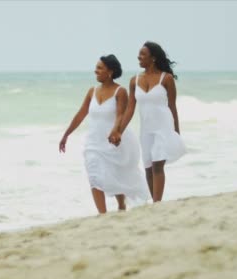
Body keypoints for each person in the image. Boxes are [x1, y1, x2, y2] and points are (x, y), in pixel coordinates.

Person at [59, 55, 149, 214]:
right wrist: (66, 134)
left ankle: (121, 205)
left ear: (110, 71)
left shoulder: (120, 91)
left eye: (100, 68)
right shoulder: (92, 91)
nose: (96, 70)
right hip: (93, 143)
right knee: (94, 176)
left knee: (116, 173)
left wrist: (115, 130)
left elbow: (120, 115)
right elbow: (81, 114)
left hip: (113, 140)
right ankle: (102, 214)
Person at [109, 42, 186, 202]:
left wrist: (176, 132)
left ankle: (157, 204)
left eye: (143, 54)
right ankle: (155, 202)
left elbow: (172, 107)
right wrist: (119, 131)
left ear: (153, 58)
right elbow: (129, 109)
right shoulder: (134, 81)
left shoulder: (167, 79)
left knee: (158, 164)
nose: (139, 57)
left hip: (163, 127)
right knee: (148, 167)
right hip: (146, 129)